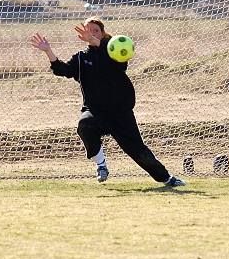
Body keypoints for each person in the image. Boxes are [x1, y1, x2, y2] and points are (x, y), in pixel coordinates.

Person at [30, 17, 186, 187]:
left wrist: (95, 41)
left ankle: (167, 179)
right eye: (88, 30)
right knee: (85, 125)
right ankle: (101, 166)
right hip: (96, 111)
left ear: (103, 33)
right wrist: (48, 51)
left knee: (139, 151)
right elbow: (62, 70)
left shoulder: (114, 52)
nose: (91, 33)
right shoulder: (81, 58)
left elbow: (118, 58)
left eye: (95, 30)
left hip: (121, 113)